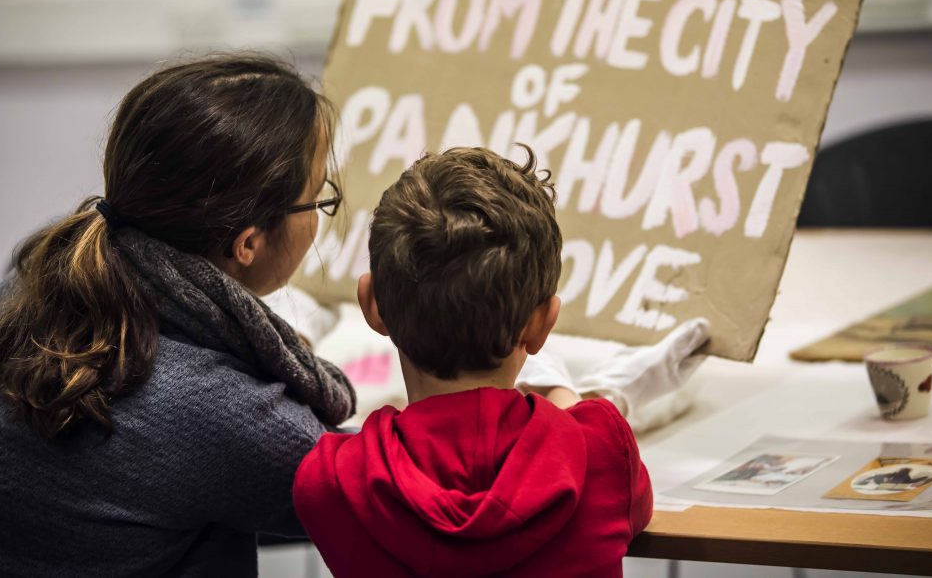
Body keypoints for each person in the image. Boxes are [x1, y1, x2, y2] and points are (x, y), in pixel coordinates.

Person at [0, 54, 356, 577]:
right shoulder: (217, 409)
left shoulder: (28, 285)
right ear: (248, 242)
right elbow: (410, 503)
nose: (319, 215)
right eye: (317, 197)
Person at [293, 146, 709, 577]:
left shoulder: (332, 480)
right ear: (542, 325)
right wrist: (572, 398)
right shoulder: (605, 451)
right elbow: (612, 488)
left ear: (372, 304)